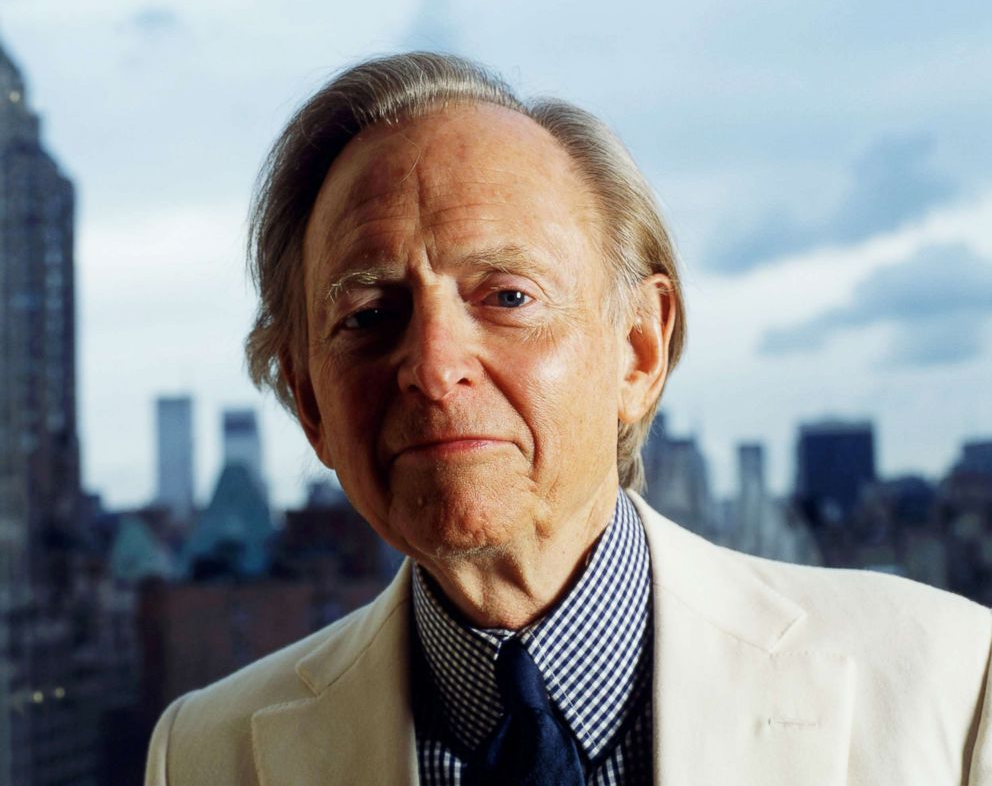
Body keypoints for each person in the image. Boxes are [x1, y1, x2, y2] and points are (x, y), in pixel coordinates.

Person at [145, 52, 992, 786]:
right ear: (309, 403)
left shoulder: (949, 683)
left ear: (638, 351)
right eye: (368, 313)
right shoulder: (205, 757)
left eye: (508, 296)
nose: (435, 367)